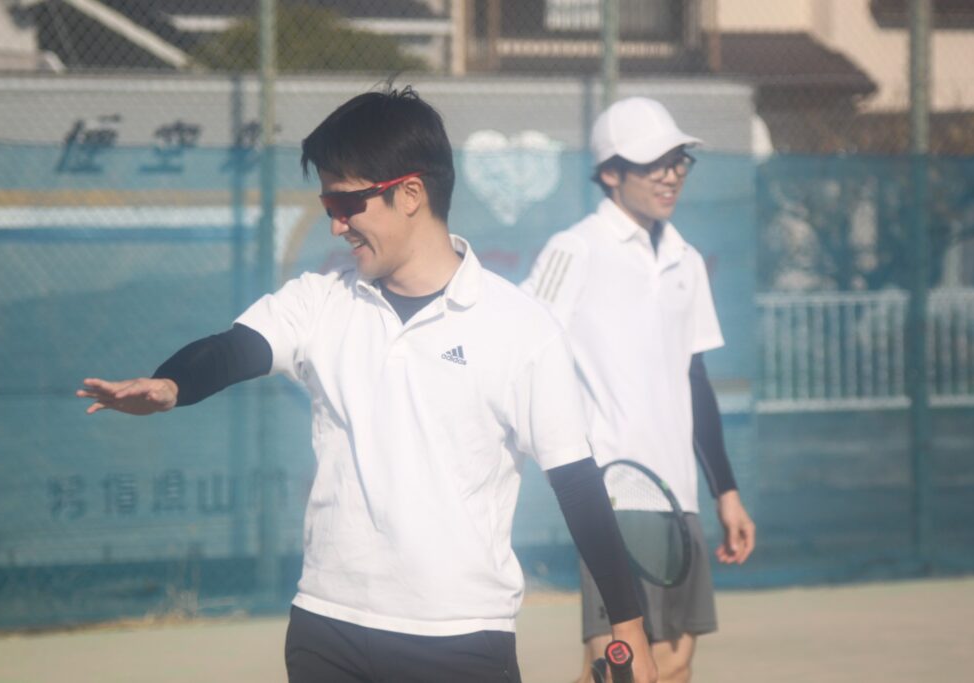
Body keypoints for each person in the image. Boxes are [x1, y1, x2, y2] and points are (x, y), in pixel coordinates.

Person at [76, 87, 657, 683]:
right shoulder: (320, 301)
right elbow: (233, 350)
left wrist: (629, 626)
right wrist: (172, 384)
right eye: (327, 203)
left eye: (346, 202)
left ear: (410, 194)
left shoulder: (521, 328)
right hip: (327, 626)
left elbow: (576, 483)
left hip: (462, 636)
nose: (336, 224)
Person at [521, 97, 757, 683]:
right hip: (614, 493)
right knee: (618, 667)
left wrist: (726, 492)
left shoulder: (686, 260)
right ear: (610, 173)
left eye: (678, 161)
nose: (670, 174)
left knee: (674, 663)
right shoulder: (575, 249)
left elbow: (695, 380)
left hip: (678, 495)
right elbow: (519, 344)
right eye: (654, 163)